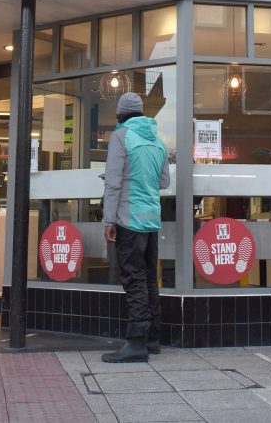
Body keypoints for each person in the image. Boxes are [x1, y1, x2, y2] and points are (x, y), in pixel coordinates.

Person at [101, 92, 171, 363]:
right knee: (149, 278)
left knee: (133, 278)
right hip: (151, 219)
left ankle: (137, 342)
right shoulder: (158, 141)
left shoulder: (121, 137)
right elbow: (163, 182)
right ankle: (152, 338)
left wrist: (108, 220)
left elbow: (114, 182)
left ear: (120, 114)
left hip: (129, 219)